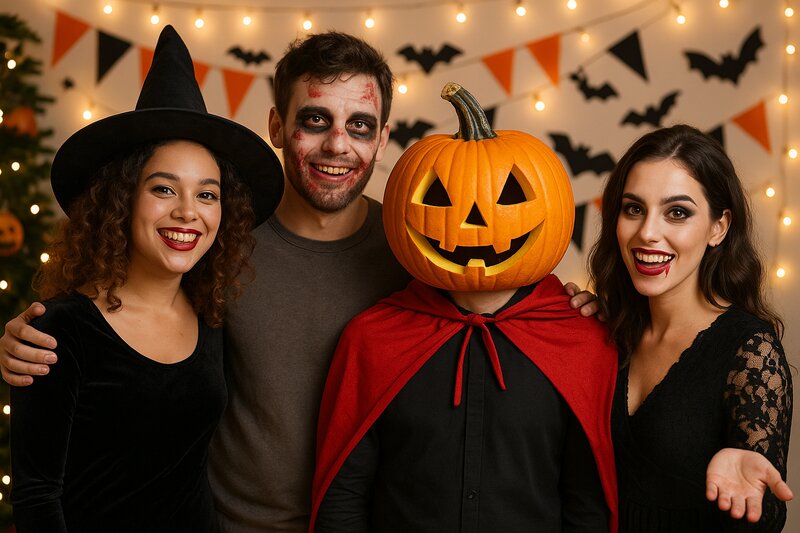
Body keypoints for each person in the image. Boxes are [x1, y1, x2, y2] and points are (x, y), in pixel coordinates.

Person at [0, 32, 598, 531]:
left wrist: (569, 304)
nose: (338, 144)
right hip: (233, 526)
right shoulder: (216, 245)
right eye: (315, 120)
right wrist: (24, 336)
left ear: (383, 137)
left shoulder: (422, 255)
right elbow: (129, 310)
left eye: (360, 126)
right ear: (278, 127)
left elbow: (502, 310)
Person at [9, 25, 283, 532]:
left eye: (207, 194)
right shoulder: (59, 330)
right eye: (163, 188)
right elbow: (36, 496)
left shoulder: (211, 317)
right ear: (122, 199)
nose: (187, 213)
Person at [311, 82, 617, 532]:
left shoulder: (583, 339)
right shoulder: (372, 339)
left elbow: (587, 502)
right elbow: (344, 496)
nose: (474, 223)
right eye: (438, 198)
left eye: (509, 196)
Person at [587, 124, 793, 532]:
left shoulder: (750, 351)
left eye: (677, 212)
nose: (648, 232)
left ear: (719, 227)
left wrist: (755, 494)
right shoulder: (605, 332)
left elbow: (764, 516)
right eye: (634, 208)